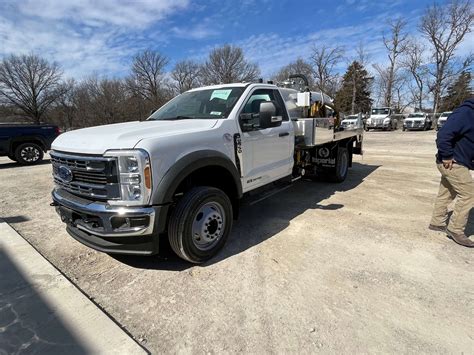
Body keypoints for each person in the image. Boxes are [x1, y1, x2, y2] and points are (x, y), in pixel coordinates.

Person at [429, 98, 474, 247]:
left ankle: (437, 222)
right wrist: (447, 155)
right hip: (453, 162)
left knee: (447, 192)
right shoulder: (466, 112)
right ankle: (456, 229)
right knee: (469, 194)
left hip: (459, 162)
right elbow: (444, 134)